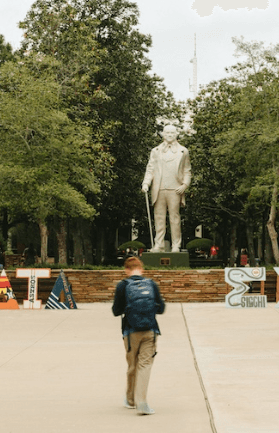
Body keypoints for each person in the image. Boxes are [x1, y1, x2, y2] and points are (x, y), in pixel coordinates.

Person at [111, 257, 165, 415]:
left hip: (130, 331)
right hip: (150, 330)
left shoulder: (123, 285)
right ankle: (141, 402)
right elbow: (161, 308)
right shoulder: (151, 284)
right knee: (145, 365)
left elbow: (115, 311)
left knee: (132, 366)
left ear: (126, 270)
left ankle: (131, 399)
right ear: (141, 269)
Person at [141, 125, 192, 253]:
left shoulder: (183, 151)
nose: (169, 135)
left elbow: (187, 171)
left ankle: (176, 245)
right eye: (167, 132)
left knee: (174, 218)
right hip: (159, 189)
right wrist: (146, 183)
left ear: (176, 134)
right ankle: (159, 244)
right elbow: (150, 169)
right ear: (163, 134)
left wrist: (185, 185)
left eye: (172, 132)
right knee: (159, 218)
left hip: (175, 189)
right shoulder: (155, 151)